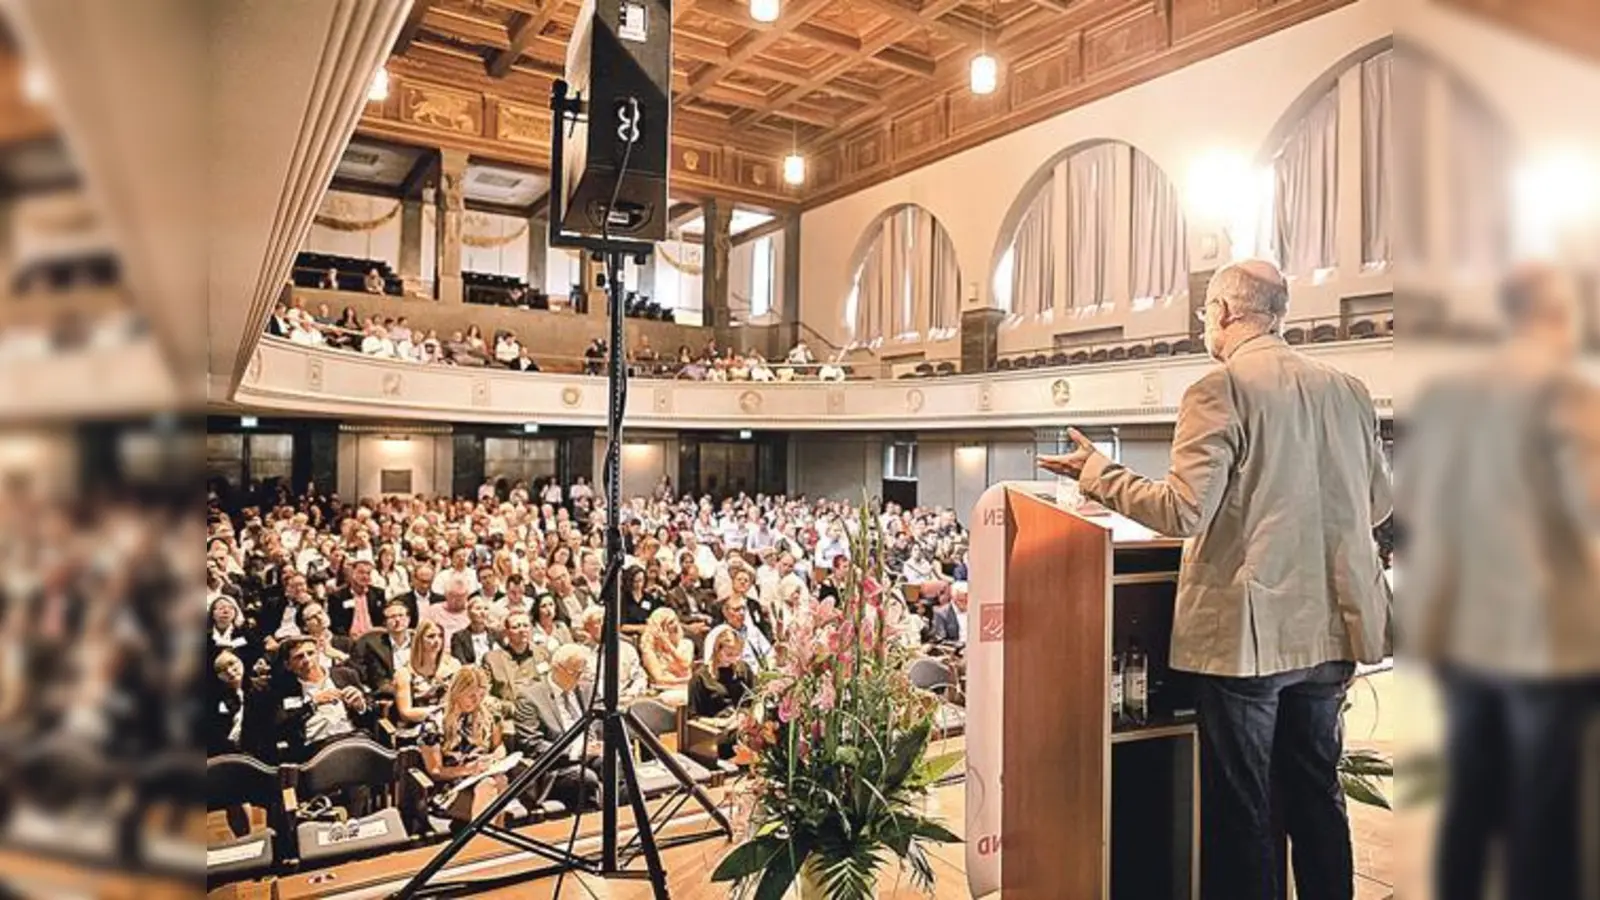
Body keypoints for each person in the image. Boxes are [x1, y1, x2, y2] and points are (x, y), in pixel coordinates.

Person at [1038, 260, 1392, 900]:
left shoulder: (1220, 388)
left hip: (1250, 642)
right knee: (1317, 796)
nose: (1206, 323)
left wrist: (1098, 472)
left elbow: (1181, 510)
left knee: (1244, 810)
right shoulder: (1349, 389)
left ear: (1225, 312)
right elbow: (1379, 504)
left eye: (1206, 312)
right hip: (1333, 629)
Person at [1401, 265, 1600, 900]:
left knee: (1471, 805)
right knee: (1543, 817)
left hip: (1463, 632)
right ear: (1559, 313)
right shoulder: (1565, 391)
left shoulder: (1447, 398)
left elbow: (1410, 504)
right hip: (1544, 639)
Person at [513, 645, 606, 810]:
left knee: (615, 764)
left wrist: (600, 742)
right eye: (575, 673)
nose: (580, 678)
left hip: (593, 754)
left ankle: (625, 820)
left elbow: (601, 722)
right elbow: (531, 744)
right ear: (556, 668)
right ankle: (592, 826)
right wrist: (576, 752)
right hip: (558, 766)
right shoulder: (530, 697)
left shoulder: (585, 688)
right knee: (586, 779)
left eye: (583, 672)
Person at [418, 667, 510, 823]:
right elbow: (435, 771)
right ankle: (488, 838)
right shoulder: (434, 722)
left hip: (483, 776)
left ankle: (487, 838)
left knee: (499, 780)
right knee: (491, 786)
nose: (477, 701)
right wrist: (469, 769)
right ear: (457, 692)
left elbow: (499, 746)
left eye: (481, 695)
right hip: (450, 788)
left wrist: (495, 758)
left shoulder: (489, 714)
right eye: (471, 695)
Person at [274, 635, 371, 761]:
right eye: (299, 657)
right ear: (288, 665)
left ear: (319, 654)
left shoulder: (345, 675)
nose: (307, 660)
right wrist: (312, 705)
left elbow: (372, 711)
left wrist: (361, 706)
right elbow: (281, 726)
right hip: (316, 750)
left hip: (353, 739)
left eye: (310, 653)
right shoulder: (282, 689)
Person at [687, 629, 754, 761]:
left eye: (737, 654)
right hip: (715, 730)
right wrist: (721, 723)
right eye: (729, 654)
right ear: (717, 651)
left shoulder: (743, 670)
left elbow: (752, 700)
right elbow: (693, 718)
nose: (734, 659)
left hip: (740, 723)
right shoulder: (700, 677)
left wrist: (742, 716)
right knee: (737, 737)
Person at [575, 605, 648, 702]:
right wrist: (616, 699)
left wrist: (632, 694)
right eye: (598, 621)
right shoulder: (581, 655)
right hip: (600, 705)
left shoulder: (627, 649)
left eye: (606, 620)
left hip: (630, 700)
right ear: (587, 627)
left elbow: (640, 676)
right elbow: (590, 686)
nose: (604, 625)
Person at [482, 612, 549, 714]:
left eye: (526, 625)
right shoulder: (492, 659)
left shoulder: (543, 654)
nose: (522, 630)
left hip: (541, 713)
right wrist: (509, 708)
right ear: (507, 632)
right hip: (509, 717)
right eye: (516, 627)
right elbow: (483, 694)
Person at [352, 599, 415, 699]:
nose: (397, 620)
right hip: (392, 694)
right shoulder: (374, 646)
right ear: (385, 623)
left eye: (401, 615)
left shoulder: (418, 640)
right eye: (392, 617)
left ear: (408, 619)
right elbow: (378, 680)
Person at [639, 607, 694, 701]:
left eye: (675, 620)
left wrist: (669, 647)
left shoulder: (686, 644)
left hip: (684, 686)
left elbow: (685, 665)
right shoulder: (648, 648)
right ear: (659, 628)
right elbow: (658, 678)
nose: (676, 625)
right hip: (662, 689)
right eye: (670, 622)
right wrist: (684, 680)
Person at [450, 596, 499, 666]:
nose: (483, 612)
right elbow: (460, 662)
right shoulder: (459, 637)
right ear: (469, 613)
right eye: (478, 608)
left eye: (486, 609)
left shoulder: (496, 634)